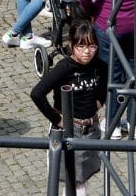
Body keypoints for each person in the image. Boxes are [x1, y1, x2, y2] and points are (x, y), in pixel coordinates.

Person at [29, 20, 108, 196]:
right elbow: (37, 94)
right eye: (81, 46)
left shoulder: (100, 66)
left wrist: (96, 105)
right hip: (70, 130)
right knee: (74, 181)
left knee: (82, 179)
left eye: (92, 46)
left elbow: (103, 89)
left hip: (91, 129)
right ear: (72, 46)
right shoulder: (64, 68)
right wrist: (57, 120)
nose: (87, 51)